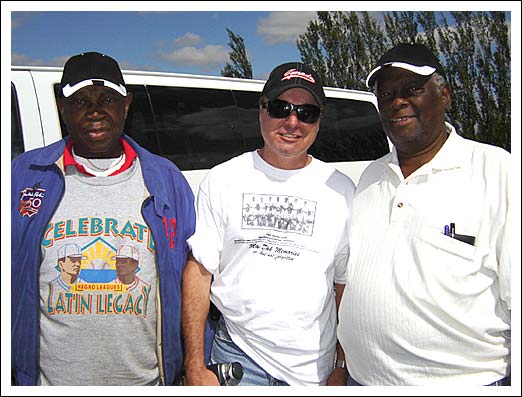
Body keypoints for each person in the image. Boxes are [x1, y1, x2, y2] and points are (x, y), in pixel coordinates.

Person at [11, 52, 195, 385]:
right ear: (62, 108)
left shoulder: (167, 181)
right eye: (80, 100)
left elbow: (194, 283)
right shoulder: (23, 176)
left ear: (126, 105)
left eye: (107, 99)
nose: (95, 111)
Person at [337, 43, 511, 386]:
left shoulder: (498, 172)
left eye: (412, 89)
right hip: (363, 380)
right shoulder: (371, 177)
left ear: (443, 95)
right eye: (386, 94)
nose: (397, 101)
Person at [181, 62, 355, 386]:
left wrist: (342, 363)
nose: (292, 121)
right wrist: (194, 365)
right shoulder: (222, 179)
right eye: (280, 108)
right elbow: (199, 272)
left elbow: (345, 286)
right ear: (262, 111)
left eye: (307, 112)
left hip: (313, 371)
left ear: (319, 120)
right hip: (237, 361)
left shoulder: (342, 190)